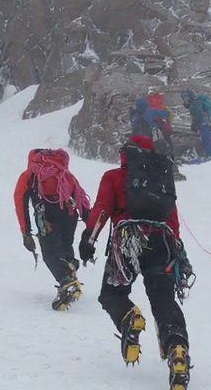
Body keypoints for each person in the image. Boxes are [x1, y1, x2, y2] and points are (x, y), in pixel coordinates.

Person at [79, 134, 194, 388]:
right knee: (163, 301)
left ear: (126, 153)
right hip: (161, 242)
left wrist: (89, 238)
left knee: (112, 295)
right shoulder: (160, 180)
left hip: (127, 242)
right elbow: (171, 219)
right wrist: (176, 249)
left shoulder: (113, 177)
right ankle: (177, 349)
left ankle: (129, 317)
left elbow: (102, 209)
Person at [13, 148, 91, 310]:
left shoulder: (29, 175)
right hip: (69, 214)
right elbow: (79, 196)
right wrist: (89, 223)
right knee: (65, 248)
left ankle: (67, 282)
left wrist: (26, 232)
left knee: (50, 254)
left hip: (46, 216)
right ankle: (70, 275)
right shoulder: (63, 172)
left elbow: (20, 202)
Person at [180, 89, 211, 160]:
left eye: (185, 98)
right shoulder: (197, 101)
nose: (185, 101)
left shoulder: (195, 103)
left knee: (206, 139)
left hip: (203, 122)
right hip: (208, 121)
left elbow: (197, 114)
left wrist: (195, 124)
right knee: (210, 139)